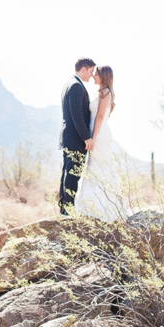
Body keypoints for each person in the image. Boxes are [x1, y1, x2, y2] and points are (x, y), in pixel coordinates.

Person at [75, 65, 127, 220]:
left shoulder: (105, 93)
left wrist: (93, 138)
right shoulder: (100, 92)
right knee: (94, 168)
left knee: (99, 168)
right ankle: (91, 206)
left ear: (103, 76)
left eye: (96, 74)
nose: (93, 76)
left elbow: (99, 117)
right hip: (96, 133)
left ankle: (102, 208)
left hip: (99, 135)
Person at [59, 57, 96, 215]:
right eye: (91, 71)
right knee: (72, 175)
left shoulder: (70, 84)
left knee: (68, 173)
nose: (92, 75)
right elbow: (76, 115)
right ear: (84, 69)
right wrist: (86, 137)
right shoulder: (76, 86)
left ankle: (64, 209)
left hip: (70, 138)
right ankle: (68, 210)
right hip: (75, 139)